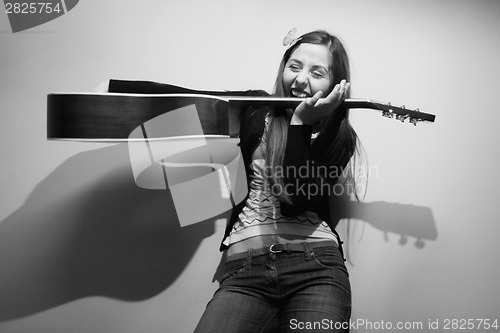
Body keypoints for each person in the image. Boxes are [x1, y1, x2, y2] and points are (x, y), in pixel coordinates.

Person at [194, 30, 360, 332]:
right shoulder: (256, 109)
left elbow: (296, 199)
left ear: (336, 84)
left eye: (316, 72)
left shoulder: (339, 136)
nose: (299, 80)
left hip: (316, 268)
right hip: (244, 272)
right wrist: (113, 90)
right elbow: (190, 102)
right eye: (294, 66)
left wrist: (299, 123)